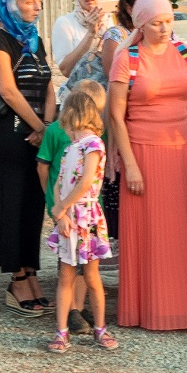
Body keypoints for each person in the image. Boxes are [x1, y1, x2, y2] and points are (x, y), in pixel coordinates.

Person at [107, 0, 187, 330]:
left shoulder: (184, 52)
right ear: (141, 24)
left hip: (182, 149)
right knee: (148, 233)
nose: (165, 28)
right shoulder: (128, 58)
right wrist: (130, 164)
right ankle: (144, 310)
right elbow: (116, 116)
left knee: (180, 232)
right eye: (157, 23)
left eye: (168, 21)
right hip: (144, 152)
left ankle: (183, 309)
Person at [0, 0, 56, 313]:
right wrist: (38, 127)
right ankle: (16, 279)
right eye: (30, 0)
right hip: (13, 132)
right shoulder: (0, 40)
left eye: (39, 0)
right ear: (11, 3)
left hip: (38, 132)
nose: (36, 6)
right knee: (14, 203)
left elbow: (49, 86)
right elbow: (7, 90)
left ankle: (31, 270)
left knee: (34, 204)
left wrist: (46, 126)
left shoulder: (36, 41)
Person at [42, 83, 116, 353]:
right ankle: (61, 331)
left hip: (87, 215)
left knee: (93, 276)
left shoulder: (93, 144)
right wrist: (60, 214)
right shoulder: (70, 147)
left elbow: (86, 182)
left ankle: (100, 327)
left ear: (72, 115)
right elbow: (60, 182)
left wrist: (61, 208)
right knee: (66, 275)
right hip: (69, 217)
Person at [97, 0, 160, 243]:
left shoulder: (163, 35)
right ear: (129, 8)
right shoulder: (117, 36)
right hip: (125, 124)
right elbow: (115, 88)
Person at [51, 0, 112, 88]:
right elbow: (66, 70)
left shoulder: (115, 20)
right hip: (81, 99)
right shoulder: (65, 23)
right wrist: (90, 34)